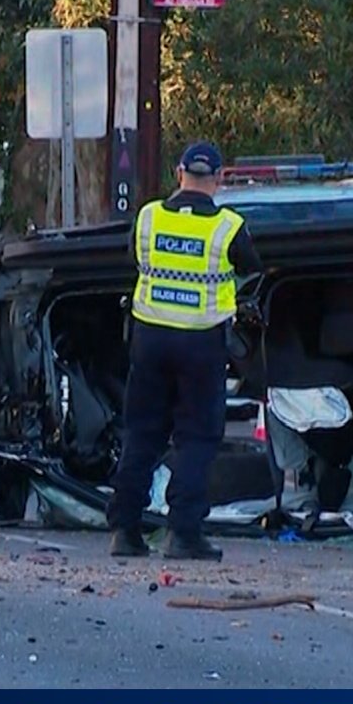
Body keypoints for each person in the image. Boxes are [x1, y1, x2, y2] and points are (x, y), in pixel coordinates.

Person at [107, 141, 263, 562]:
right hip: (201, 343)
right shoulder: (228, 227)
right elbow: (253, 268)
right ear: (219, 178)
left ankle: (124, 531)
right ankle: (183, 534)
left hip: (150, 339)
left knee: (141, 433)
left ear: (179, 174)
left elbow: (133, 259)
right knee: (196, 437)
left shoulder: (148, 218)